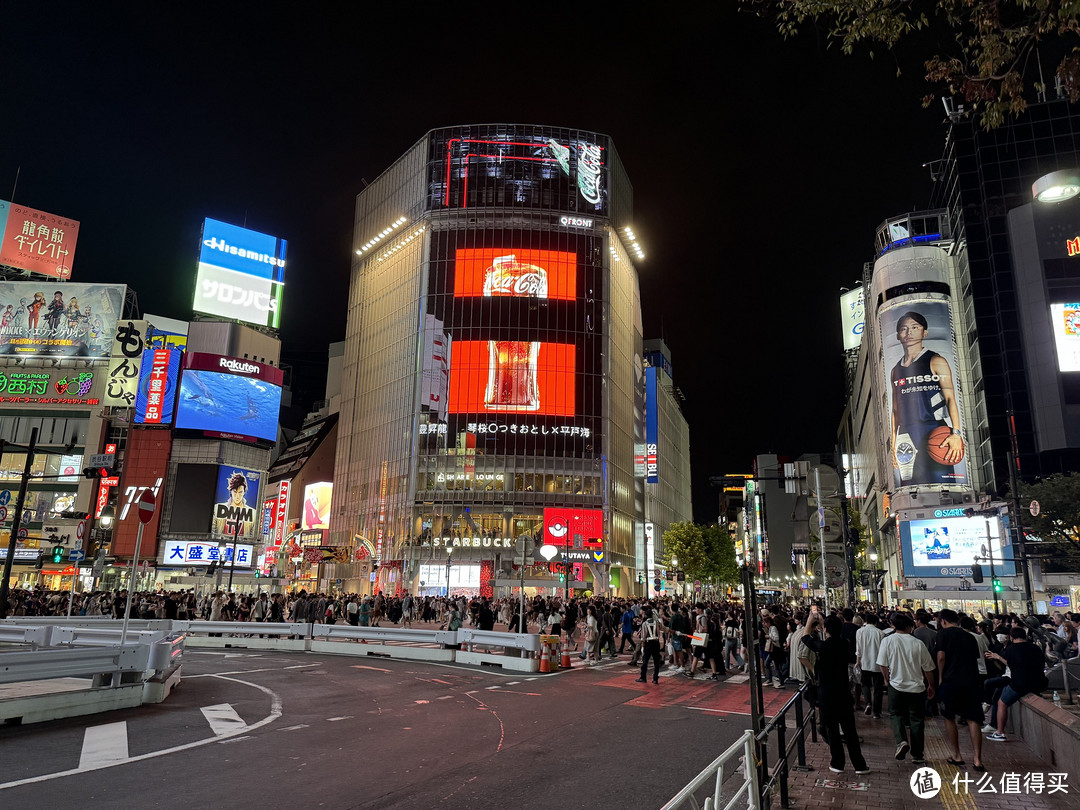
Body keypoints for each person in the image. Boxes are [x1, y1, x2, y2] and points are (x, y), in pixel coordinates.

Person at [889, 310, 965, 486]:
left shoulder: (936, 361)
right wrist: (893, 444)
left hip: (934, 429)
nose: (909, 332)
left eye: (915, 327)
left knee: (943, 488)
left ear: (925, 332)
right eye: (904, 329)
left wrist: (956, 433)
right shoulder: (895, 370)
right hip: (906, 436)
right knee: (910, 489)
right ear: (898, 335)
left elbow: (951, 399)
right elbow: (894, 410)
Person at [800, 613, 871, 775]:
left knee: (831, 729)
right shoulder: (844, 644)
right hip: (844, 692)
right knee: (850, 730)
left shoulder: (824, 647)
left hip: (827, 693)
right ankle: (859, 765)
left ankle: (838, 762)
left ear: (826, 630)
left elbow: (805, 638)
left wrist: (810, 622)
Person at [877, 612, 936, 763]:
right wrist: (931, 685)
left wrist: (886, 679)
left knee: (896, 714)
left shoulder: (888, 641)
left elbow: (882, 663)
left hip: (896, 686)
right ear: (910, 626)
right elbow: (928, 668)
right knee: (916, 719)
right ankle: (917, 754)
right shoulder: (918, 643)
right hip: (917, 687)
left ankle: (901, 741)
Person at [935, 609, 986, 771]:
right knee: (973, 719)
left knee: (949, 717)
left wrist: (941, 677)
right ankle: (977, 759)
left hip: (951, 681)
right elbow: (976, 659)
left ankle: (957, 755)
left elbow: (941, 656)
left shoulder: (943, 635)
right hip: (971, 681)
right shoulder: (970, 637)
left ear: (943, 621)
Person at [983, 626, 1048, 742]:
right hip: (1039, 682)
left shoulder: (1012, 649)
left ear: (1012, 637)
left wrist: (997, 657)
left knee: (1001, 702)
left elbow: (1010, 665)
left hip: (1020, 683)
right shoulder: (1035, 647)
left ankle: (999, 732)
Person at [856, 613, 885, 719]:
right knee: (878, 689)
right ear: (876, 622)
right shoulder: (880, 633)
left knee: (865, 684)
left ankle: (868, 703)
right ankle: (877, 712)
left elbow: (858, 649)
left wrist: (858, 661)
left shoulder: (859, 632)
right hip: (878, 664)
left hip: (865, 663)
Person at [637, 610, 669, 684]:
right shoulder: (657, 622)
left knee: (645, 661)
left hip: (648, 643)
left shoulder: (644, 624)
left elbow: (643, 637)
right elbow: (665, 629)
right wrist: (674, 631)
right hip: (656, 643)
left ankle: (643, 677)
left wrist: (642, 647)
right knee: (656, 662)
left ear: (645, 616)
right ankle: (655, 678)